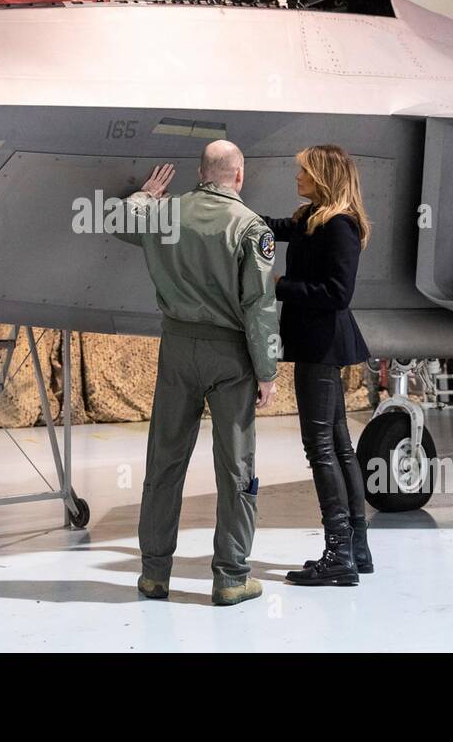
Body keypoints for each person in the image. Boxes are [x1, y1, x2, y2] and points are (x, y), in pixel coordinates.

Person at [115, 141, 279, 607]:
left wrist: (147, 195)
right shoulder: (251, 228)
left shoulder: (167, 215)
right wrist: (266, 370)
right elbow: (259, 306)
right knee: (236, 469)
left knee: (165, 462)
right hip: (231, 357)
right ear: (239, 176)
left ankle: (153, 574)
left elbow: (119, 221)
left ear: (201, 172)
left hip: (177, 349)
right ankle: (230, 577)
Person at [261, 145, 373, 586]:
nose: (297, 176)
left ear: (323, 174)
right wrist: (233, 213)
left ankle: (338, 555)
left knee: (321, 448)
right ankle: (356, 549)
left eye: (304, 170)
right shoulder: (312, 218)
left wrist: (280, 286)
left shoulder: (340, 226)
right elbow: (276, 227)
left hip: (322, 348)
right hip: (317, 346)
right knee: (340, 447)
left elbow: (337, 295)